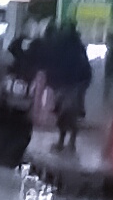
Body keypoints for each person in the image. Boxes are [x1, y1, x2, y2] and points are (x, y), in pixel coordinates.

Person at [34, 16, 94, 152]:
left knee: (66, 110)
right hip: (74, 81)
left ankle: (67, 141)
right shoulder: (74, 44)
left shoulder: (59, 44)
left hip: (71, 81)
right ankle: (68, 141)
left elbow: (50, 63)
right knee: (68, 111)